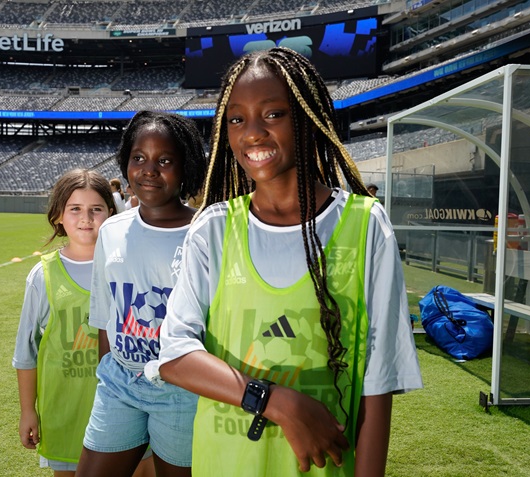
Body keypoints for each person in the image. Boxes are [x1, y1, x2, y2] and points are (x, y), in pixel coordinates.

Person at [153, 47, 422, 477]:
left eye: (273, 114)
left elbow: (379, 382)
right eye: (237, 118)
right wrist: (276, 401)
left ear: (307, 118)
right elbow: (173, 354)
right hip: (225, 464)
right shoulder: (215, 228)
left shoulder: (366, 225)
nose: (251, 133)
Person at [75, 111, 208, 477]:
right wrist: (109, 371)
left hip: (181, 388)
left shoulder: (205, 233)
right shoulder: (112, 231)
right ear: (126, 163)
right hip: (121, 381)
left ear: (186, 168)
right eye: (139, 158)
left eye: (164, 160)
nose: (149, 169)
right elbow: (105, 314)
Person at [13, 169, 124, 477]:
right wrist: (27, 411)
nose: (86, 218)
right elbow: (26, 354)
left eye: (96, 209)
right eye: (75, 209)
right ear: (59, 215)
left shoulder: (127, 267)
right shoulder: (42, 275)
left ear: (111, 213)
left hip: (126, 412)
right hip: (65, 415)